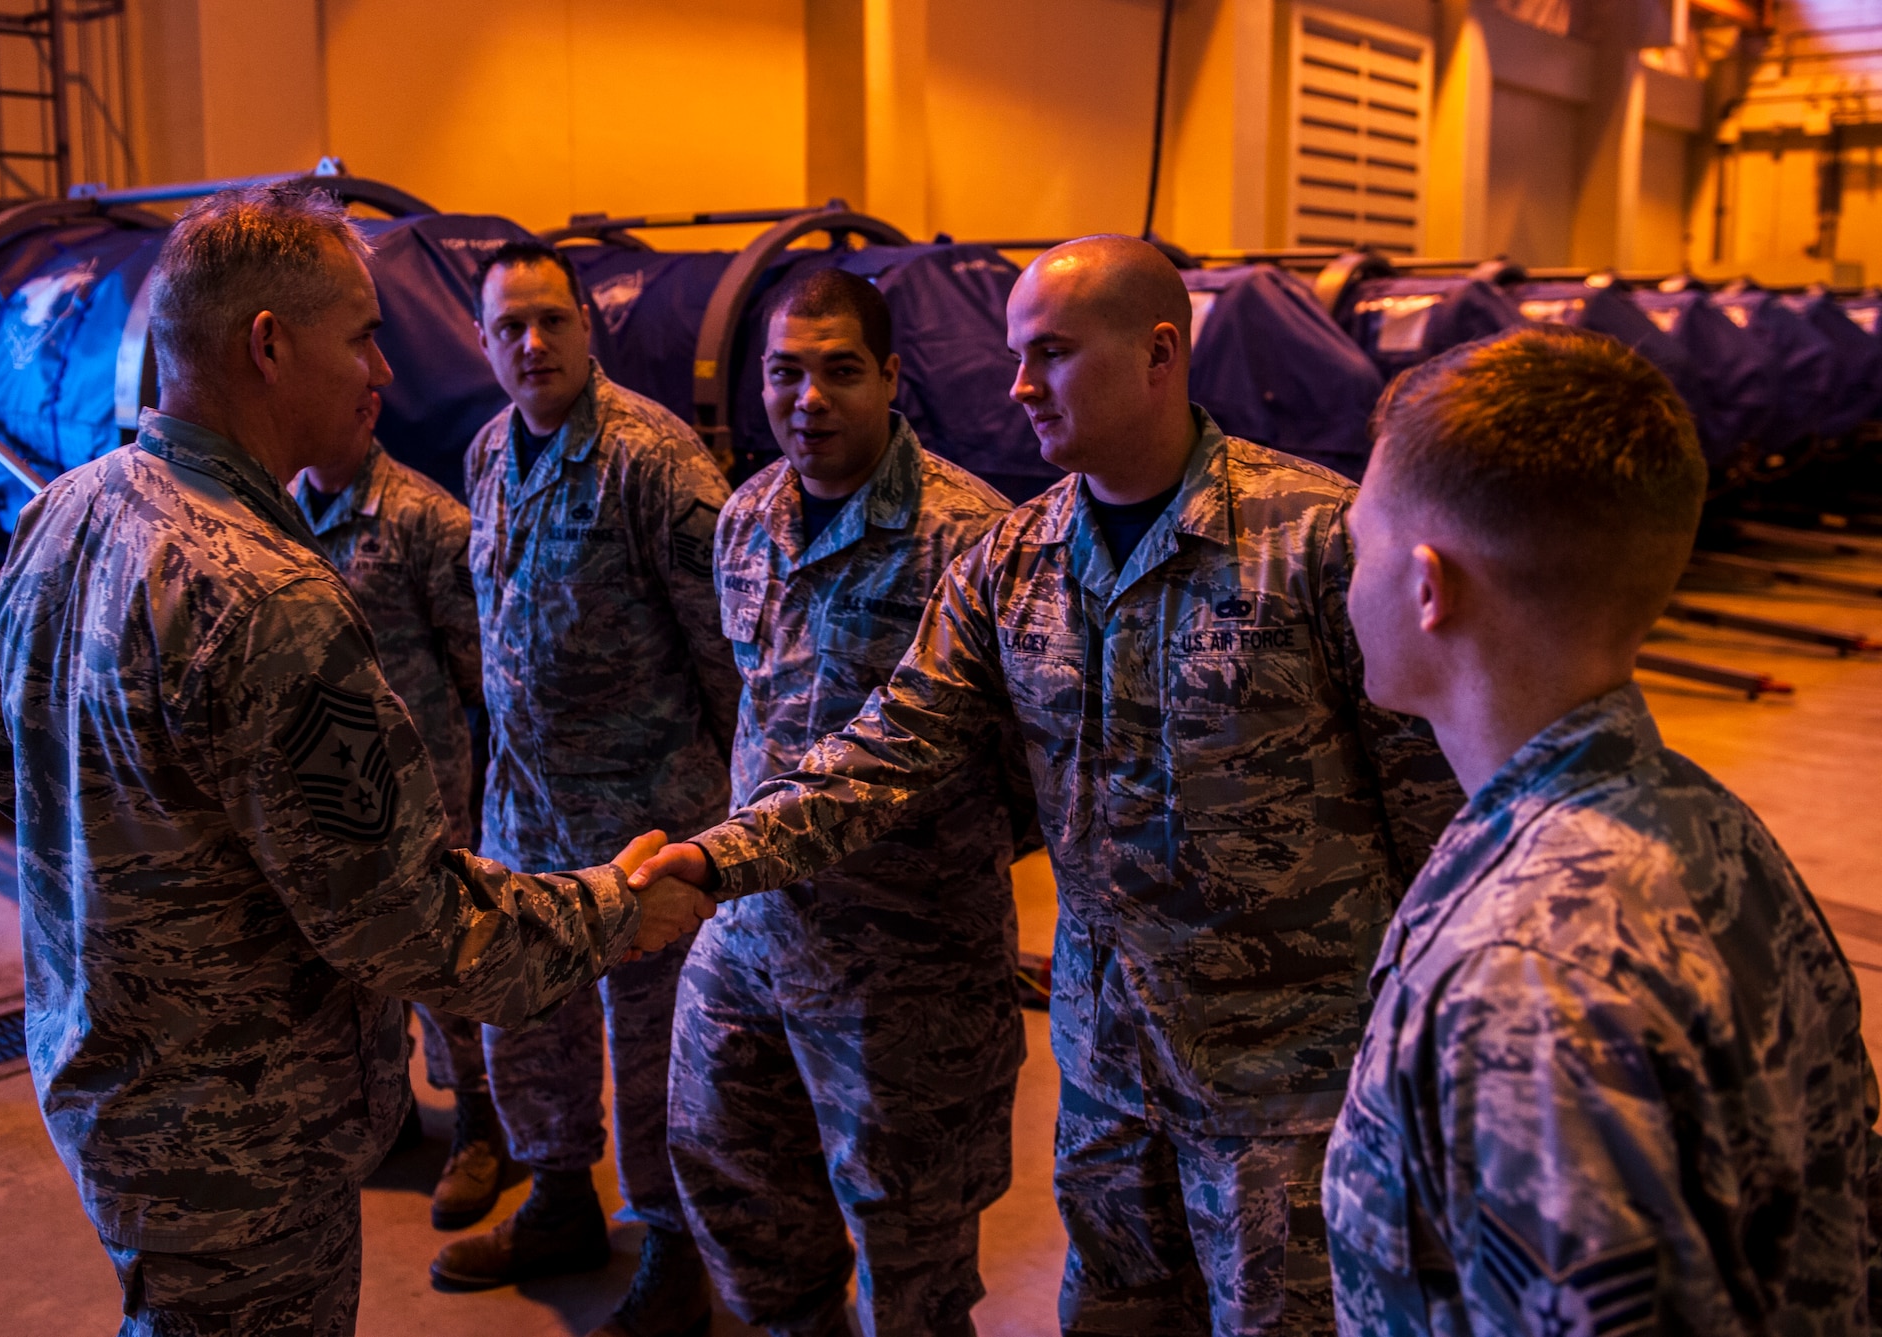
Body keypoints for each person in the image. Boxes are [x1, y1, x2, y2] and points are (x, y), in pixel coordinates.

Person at [635, 235, 1463, 1335]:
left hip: (1287, 1088)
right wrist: (713, 857)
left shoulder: (1313, 538)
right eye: (1016, 355)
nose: (1018, 386)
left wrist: (1434, 1060)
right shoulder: (1015, 560)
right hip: (1109, 1075)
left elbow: (1435, 811)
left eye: (1053, 354)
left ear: (1159, 353)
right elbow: (887, 749)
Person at [0, 184, 713, 1337]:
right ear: (268, 344)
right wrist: (617, 907)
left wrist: (154, 874)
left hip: (110, 1092)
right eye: (361, 336)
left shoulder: (66, 512)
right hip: (246, 1133)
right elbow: (413, 927)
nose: (384, 370)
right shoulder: (269, 597)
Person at [1323, 325, 1881, 1333]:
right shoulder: (1707, 824)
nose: (1343, 577)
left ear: (1427, 587)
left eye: (1358, 544)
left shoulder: (1525, 981)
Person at [668, 268, 1029, 1337]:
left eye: (839, 372)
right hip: (753, 933)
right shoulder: (746, 517)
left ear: (891, 376)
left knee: (911, 1247)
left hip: (907, 962)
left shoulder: (969, 537)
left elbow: (1029, 770)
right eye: (785, 373)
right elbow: (741, 698)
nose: (808, 399)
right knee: (734, 1178)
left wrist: (927, 870)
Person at [440, 239, 742, 1337]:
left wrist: (728, 814)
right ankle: (560, 1198)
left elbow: (727, 647)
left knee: (659, 1052)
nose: (533, 343)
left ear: (586, 325)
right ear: (482, 341)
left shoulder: (650, 458)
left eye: (551, 320)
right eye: (509, 326)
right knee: (528, 1018)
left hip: (647, 818)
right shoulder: (488, 453)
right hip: (526, 812)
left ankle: (673, 1247)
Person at [291, 411, 508, 1231]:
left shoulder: (425, 519)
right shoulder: (277, 513)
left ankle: (483, 1121)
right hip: (325, 783)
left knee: (447, 959)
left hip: (423, 787)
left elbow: (479, 670)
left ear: (368, 407)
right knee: (352, 958)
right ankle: (389, 1110)